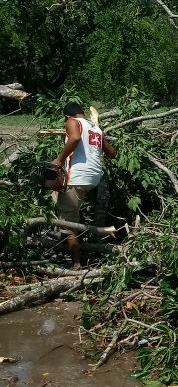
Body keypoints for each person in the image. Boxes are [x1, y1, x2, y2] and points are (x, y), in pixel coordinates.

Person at [50, 103, 116, 269]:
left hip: (78, 176)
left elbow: (74, 138)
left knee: (67, 221)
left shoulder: (72, 122)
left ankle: (76, 264)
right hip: (94, 177)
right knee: (73, 212)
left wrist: (59, 160)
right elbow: (112, 153)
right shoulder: (96, 128)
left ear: (67, 116)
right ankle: (78, 247)